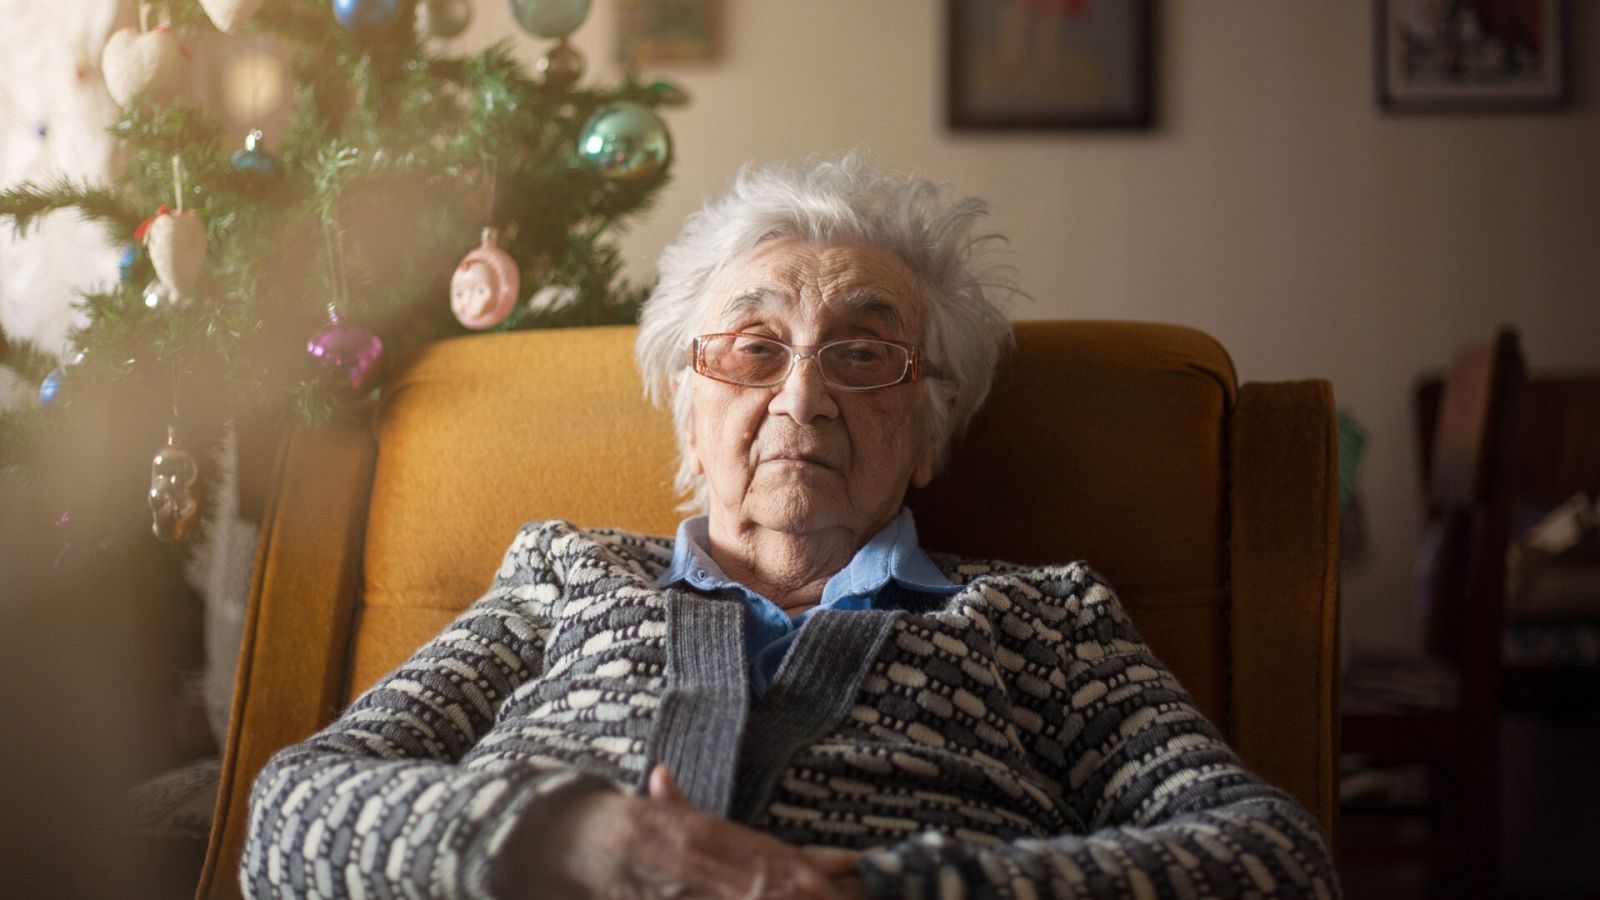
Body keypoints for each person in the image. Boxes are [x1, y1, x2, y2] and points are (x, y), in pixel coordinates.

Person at [243, 156, 1339, 898]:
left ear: (927, 433)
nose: (802, 399)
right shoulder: (562, 574)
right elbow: (287, 817)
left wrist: (875, 888)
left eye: (863, 356)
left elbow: (1270, 860)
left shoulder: (1042, 616)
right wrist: (573, 836)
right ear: (686, 404)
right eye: (754, 348)